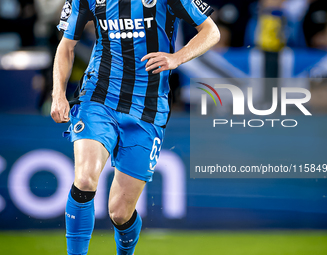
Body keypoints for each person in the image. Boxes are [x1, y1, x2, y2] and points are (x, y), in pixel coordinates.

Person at [50, 0, 220, 254]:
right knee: (85, 179)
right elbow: (67, 45)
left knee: (119, 213)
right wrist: (58, 94)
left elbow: (211, 31)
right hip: (98, 98)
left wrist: (177, 58)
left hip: (148, 108)